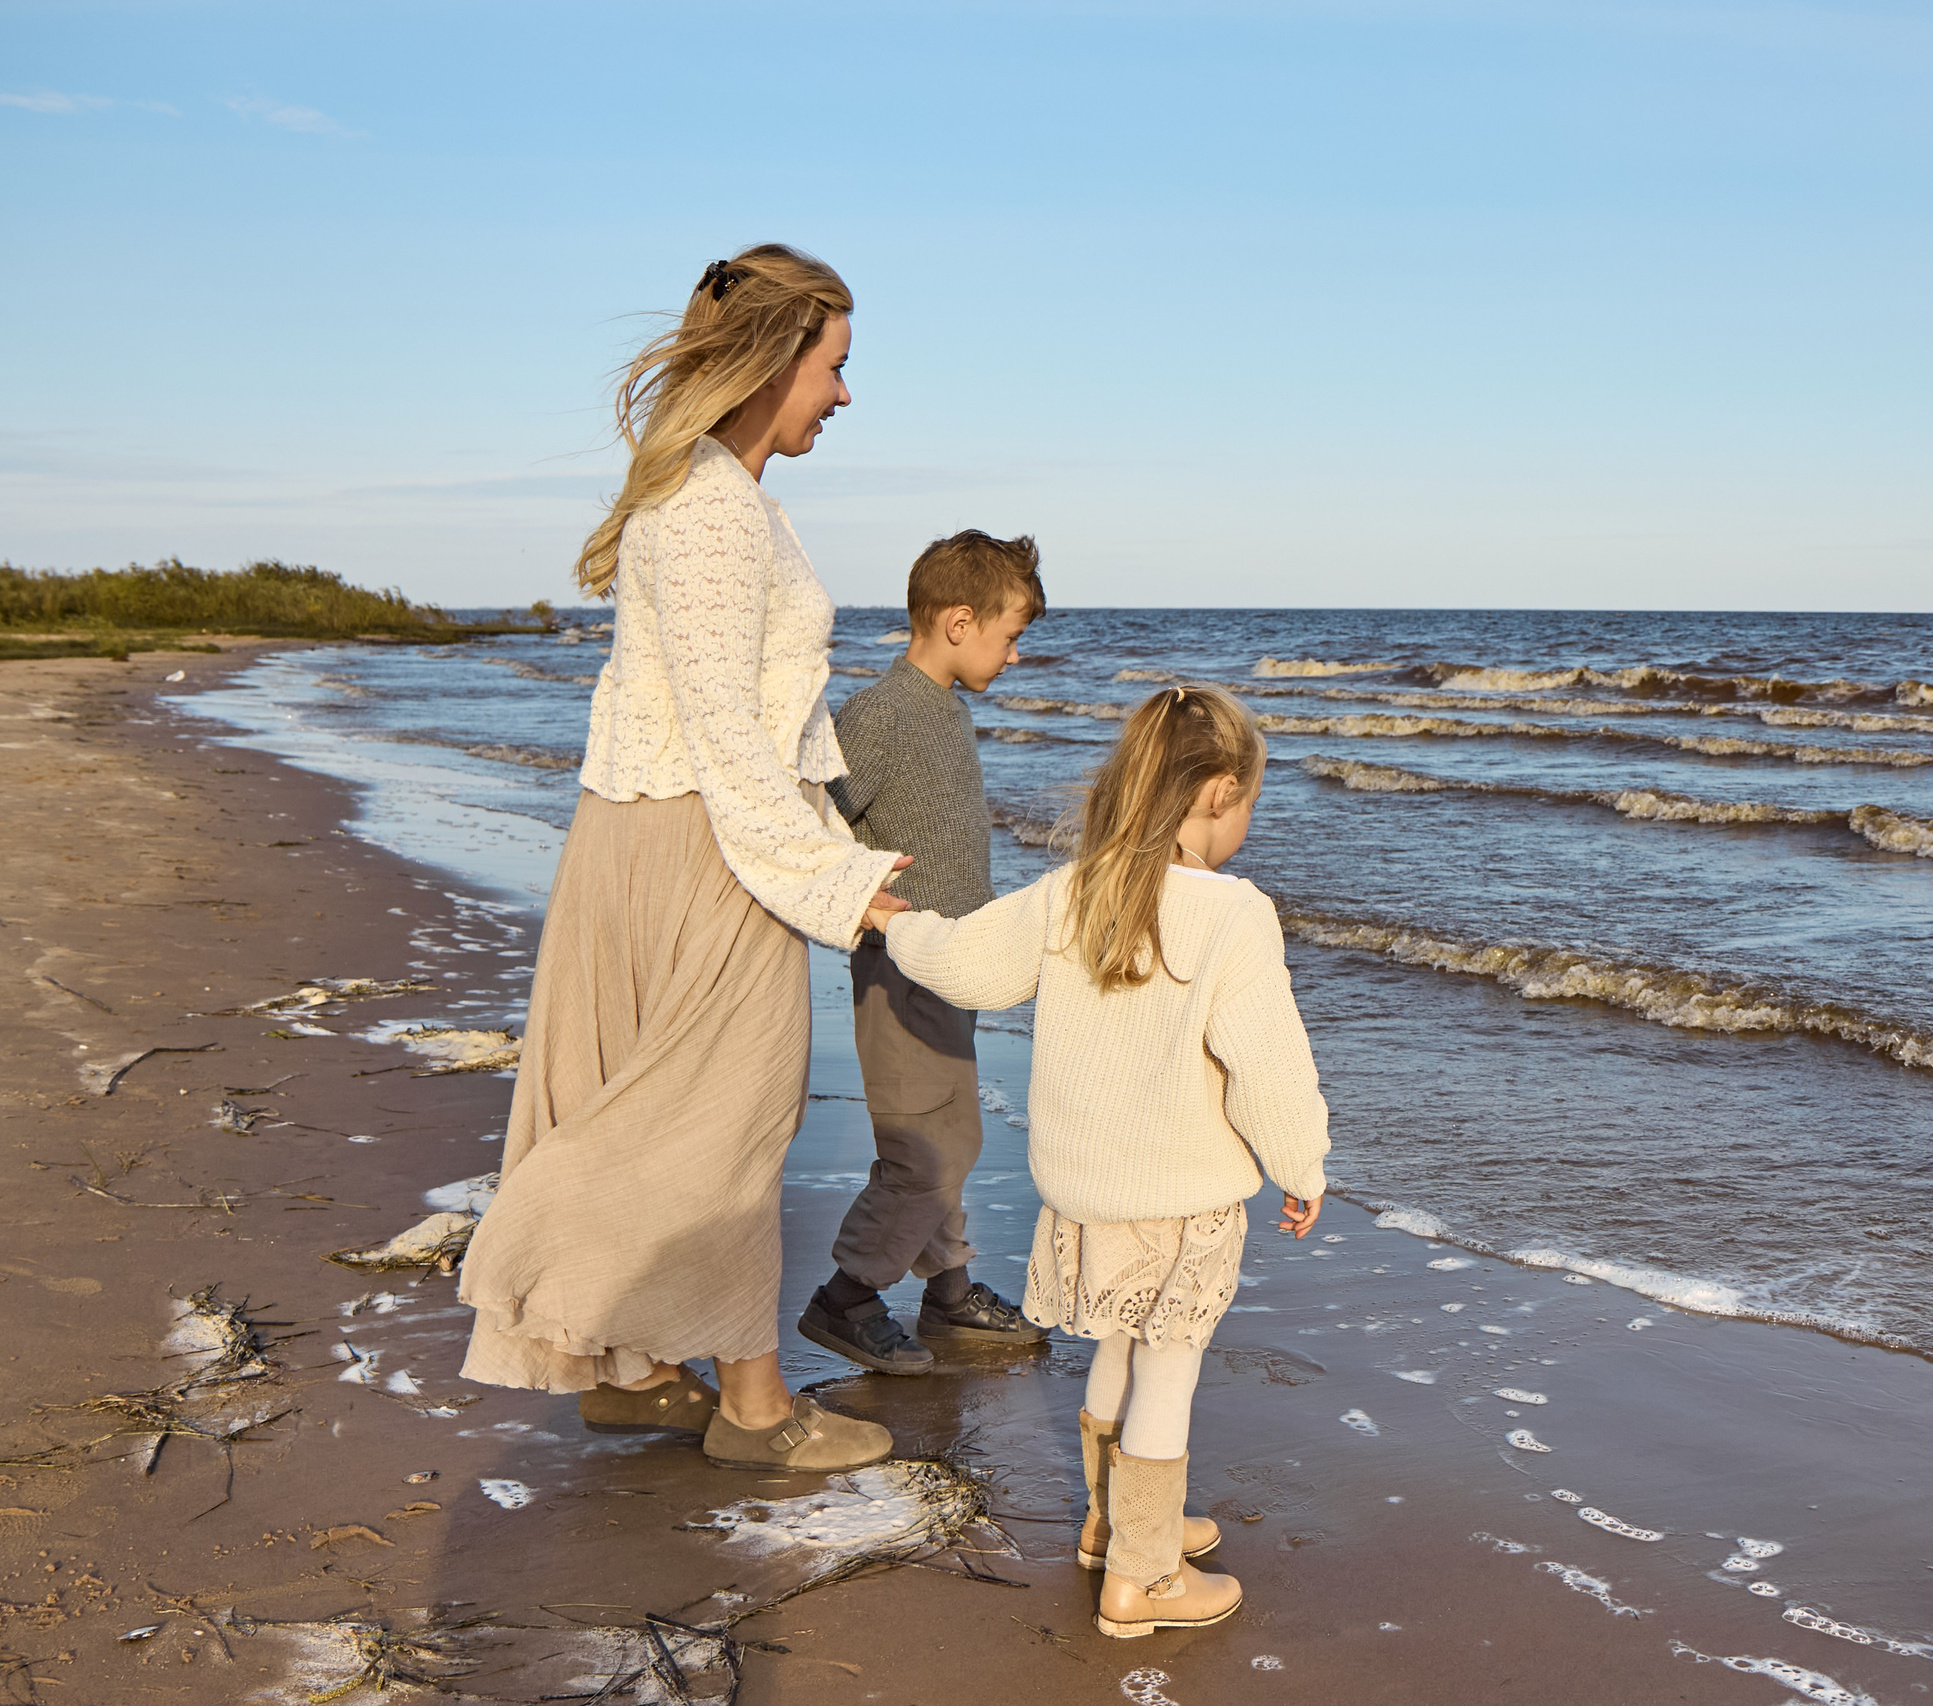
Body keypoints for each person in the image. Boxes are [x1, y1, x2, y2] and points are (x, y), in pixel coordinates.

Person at [458, 244, 914, 1473]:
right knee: (723, 1116)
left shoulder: (715, 496)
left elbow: (735, 717)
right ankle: (754, 1407)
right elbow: (725, 729)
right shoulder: (712, 508)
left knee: (661, 1091)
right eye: (835, 366)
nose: (845, 395)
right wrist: (829, 879)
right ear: (776, 360)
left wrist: (824, 847)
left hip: (653, 825)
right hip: (698, 839)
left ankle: (638, 1365)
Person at [859, 683, 1329, 1637]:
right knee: (1169, 1367)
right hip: (1181, 1194)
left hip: (1085, 1192)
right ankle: (1145, 1580)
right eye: (1248, 806)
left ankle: (1113, 1524)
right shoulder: (1233, 913)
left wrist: (890, 921)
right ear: (1218, 791)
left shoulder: (1074, 887)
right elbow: (1270, 1066)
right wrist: (1304, 1165)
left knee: (1119, 1344)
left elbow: (965, 964)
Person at [799, 531, 1051, 1374]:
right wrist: (856, 896)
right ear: (956, 621)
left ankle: (947, 1292)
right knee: (924, 1145)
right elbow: (810, 820)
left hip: (950, 961)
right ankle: (847, 1296)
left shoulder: (945, 708)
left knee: (951, 1131)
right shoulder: (883, 713)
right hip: (902, 961)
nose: (1014, 656)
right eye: (1008, 636)